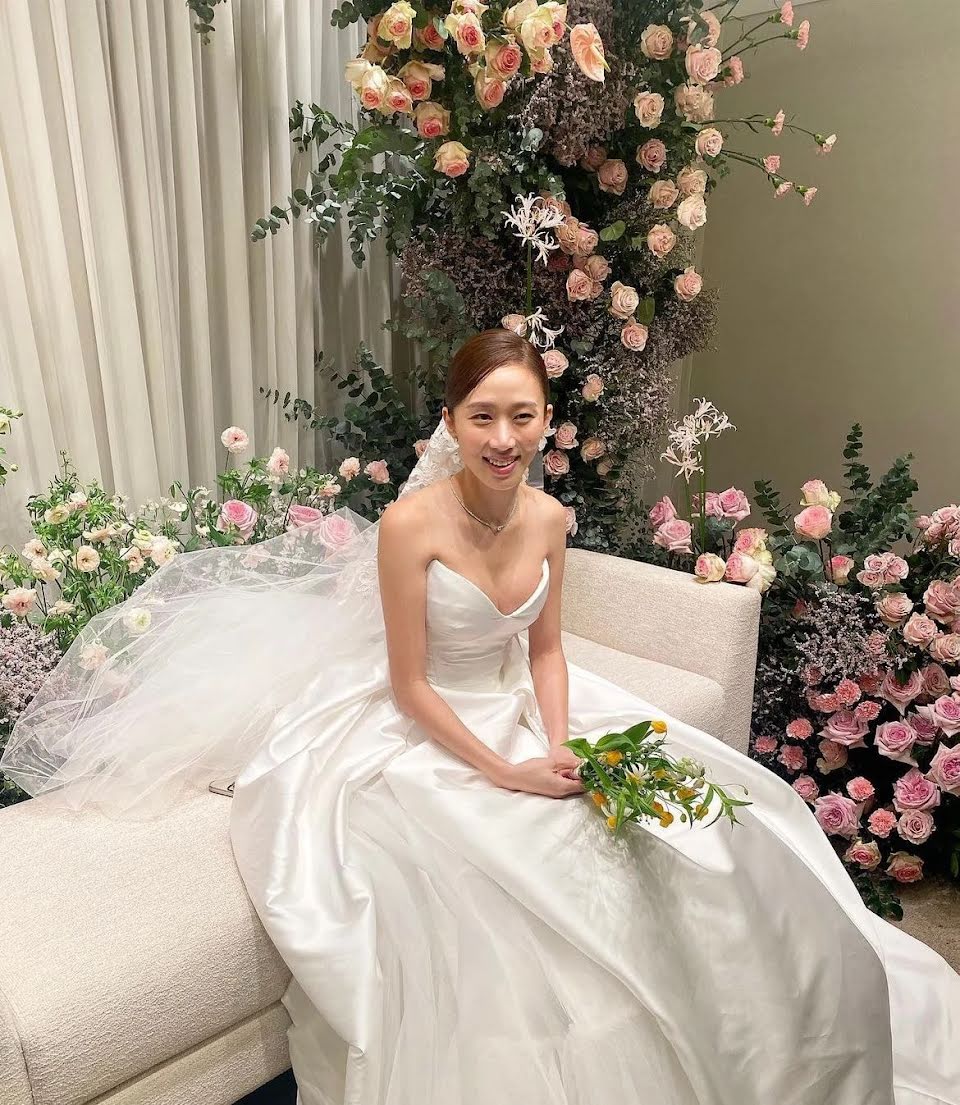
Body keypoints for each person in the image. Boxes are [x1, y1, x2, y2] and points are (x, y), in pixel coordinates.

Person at [3, 330, 960, 1105]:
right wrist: (506, 771)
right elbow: (409, 683)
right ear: (451, 422)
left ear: (546, 420)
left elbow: (544, 651)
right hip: (423, 722)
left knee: (714, 826)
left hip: (520, 705)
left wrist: (563, 741)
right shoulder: (409, 526)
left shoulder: (549, 518)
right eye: (483, 416)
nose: (504, 438)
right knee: (531, 860)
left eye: (523, 415)